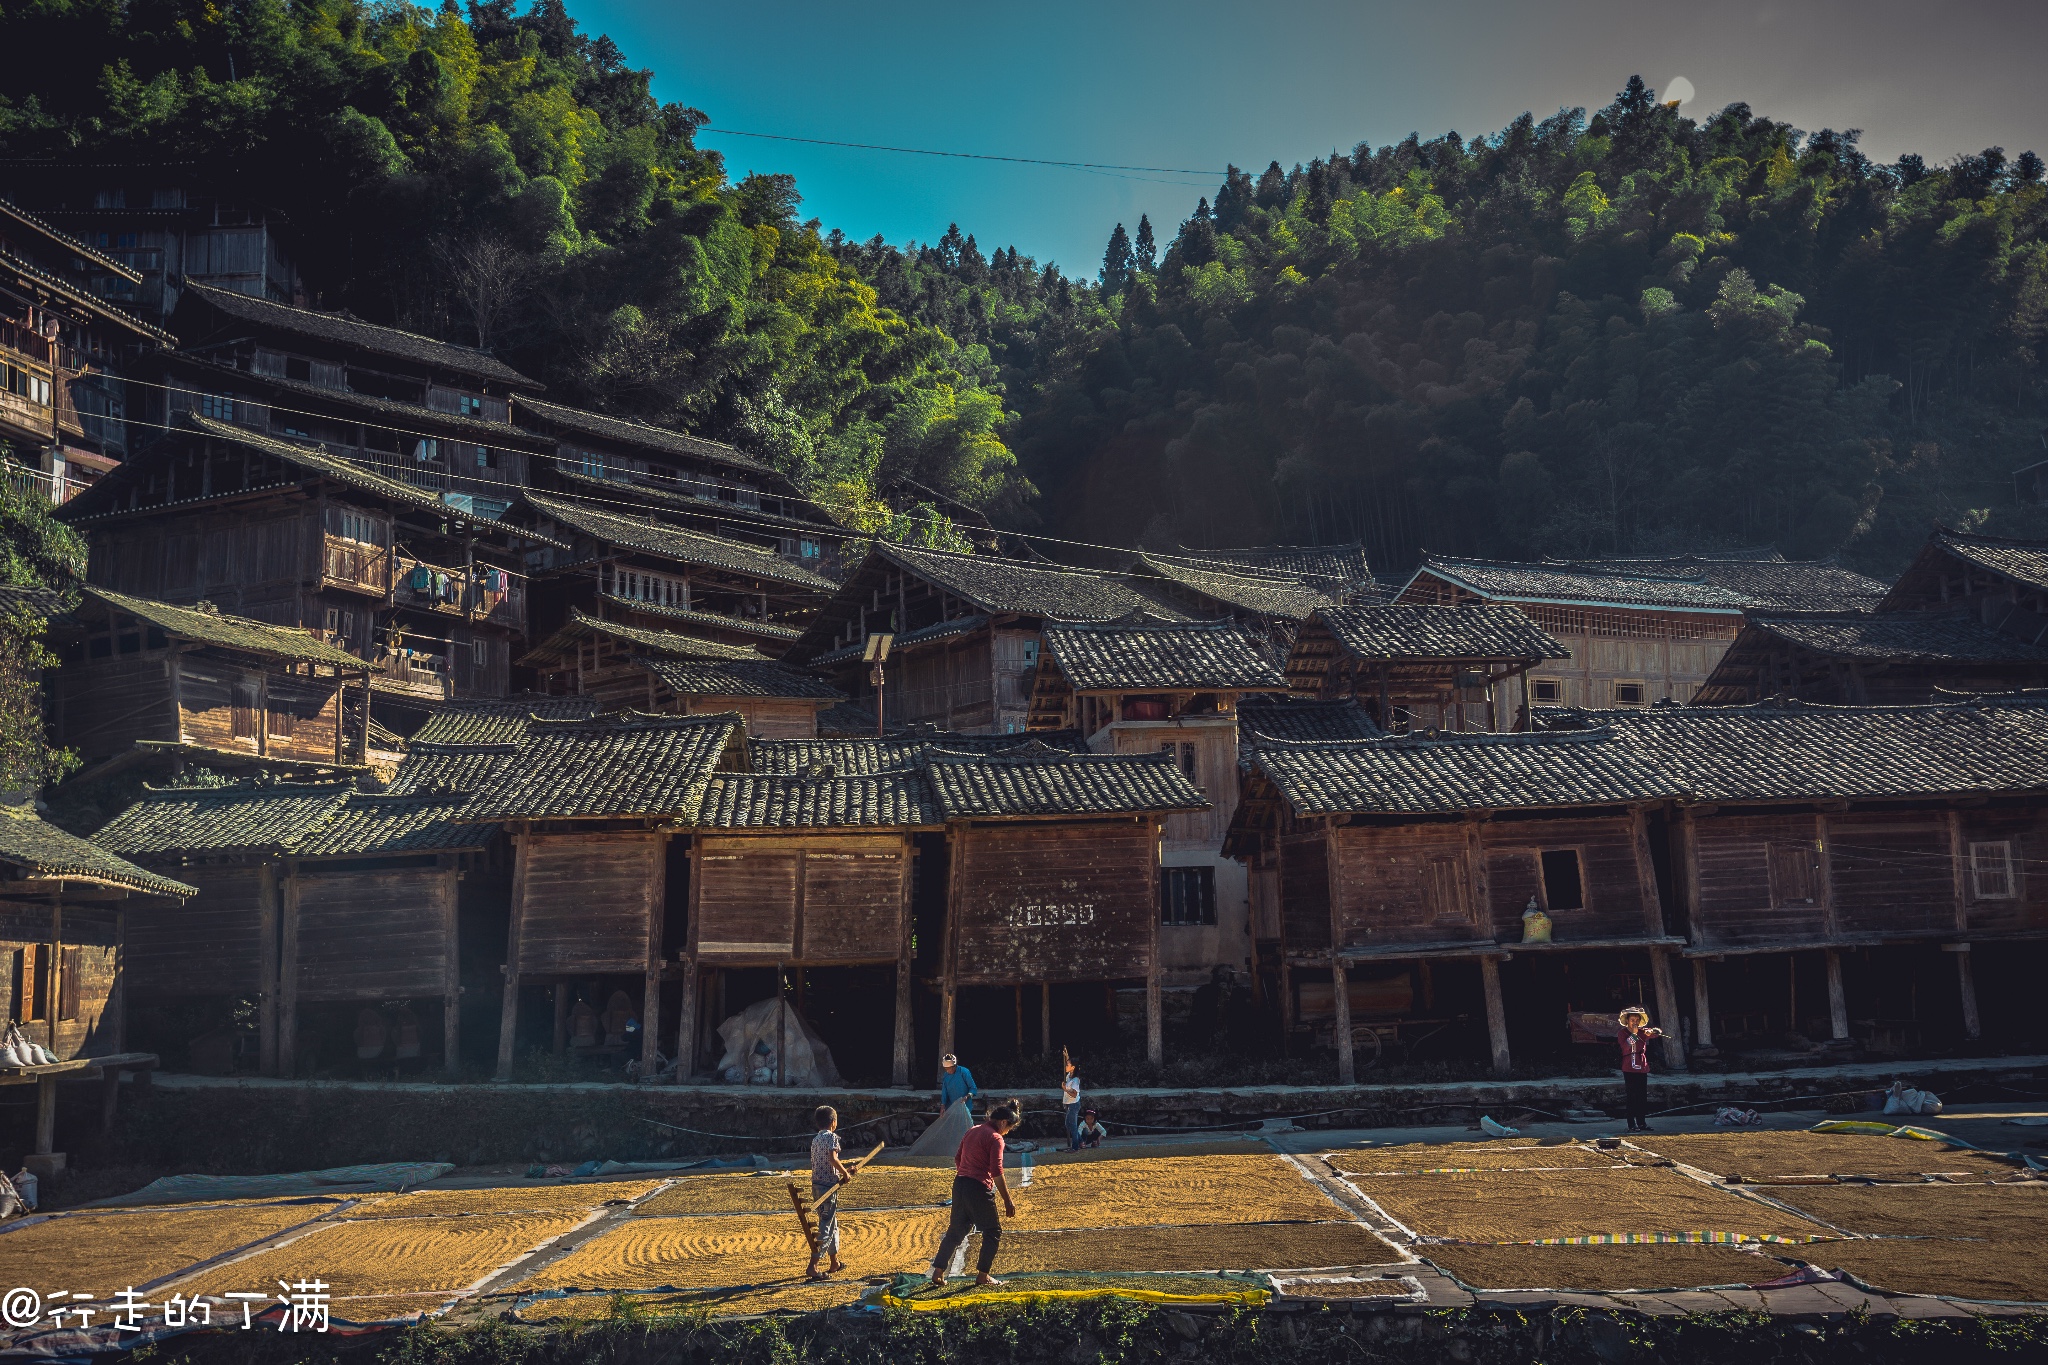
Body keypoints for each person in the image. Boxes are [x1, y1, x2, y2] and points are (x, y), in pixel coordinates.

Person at [929, 1101, 1018, 1288]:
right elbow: (996, 1171)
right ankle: (983, 1275)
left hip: (960, 1183)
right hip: (977, 1187)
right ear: (1003, 1123)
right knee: (993, 1231)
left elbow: (957, 1158)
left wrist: (966, 1173)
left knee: (956, 1230)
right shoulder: (995, 1138)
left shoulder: (973, 1130)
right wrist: (1007, 1200)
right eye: (1009, 1128)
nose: (1007, 1132)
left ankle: (938, 1271)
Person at [806, 1105, 856, 1278]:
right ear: (833, 1123)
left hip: (817, 1185)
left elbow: (827, 1165)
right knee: (826, 1225)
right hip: (827, 1188)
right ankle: (813, 1265)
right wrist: (844, 1173)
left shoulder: (815, 1140)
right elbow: (833, 1159)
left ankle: (834, 1262)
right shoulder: (832, 1138)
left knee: (832, 1224)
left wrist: (845, 1172)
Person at [1616, 1006, 1665, 1133]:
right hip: (1629, 1067)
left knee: (1642, 1097)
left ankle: (1642, 1123)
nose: (1635, 1023)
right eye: (1633, 1020)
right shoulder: (1622, 1033)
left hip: (1641, 1067)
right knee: (1632, 1097)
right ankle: (1631, 1125)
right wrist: (1634, 1034)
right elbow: (1626, 1047)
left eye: (1637, 1020)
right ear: (1627, 1021)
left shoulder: (1642, 1031)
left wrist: (1653, 1031)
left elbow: (1655, 1034)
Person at [1060, 1049, 1082, 1151]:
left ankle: (1075, 1147)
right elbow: (1069, 1061)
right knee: (1068, 1124)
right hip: (1069, 1104)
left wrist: (1065, 1089)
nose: (1066, 1066)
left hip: (1074, 1104)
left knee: (1072, 1126)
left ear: (1073, 1067)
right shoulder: (1070, 1075)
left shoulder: (1075, 1080)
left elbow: (1074, 1094)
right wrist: (1066, 1055)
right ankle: (1081, 1141)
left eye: (1068, 1065)